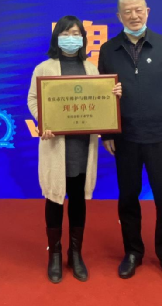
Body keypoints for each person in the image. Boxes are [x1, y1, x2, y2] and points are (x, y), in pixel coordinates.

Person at [98, 0, 162, 286]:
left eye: (138, 10)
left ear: (147, 11)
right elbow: (102, 96)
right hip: (125, 138)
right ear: (119, 16)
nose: (134, 16)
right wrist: (107, 133)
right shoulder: (108, 50)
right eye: (127, 12)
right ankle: (133, 252)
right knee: (127, 198)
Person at [28, 15, 121, 284]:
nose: (72, 37)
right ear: (57, 37)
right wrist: (43, 121)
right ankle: (55, 254)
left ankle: (75, 253)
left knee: (78, 199)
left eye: (76, 33)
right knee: (55, 199)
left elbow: (100, 102)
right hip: (56, 145)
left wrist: (112, 95)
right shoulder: (44, 68)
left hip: (82, 146)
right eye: (66, 33)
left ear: (83, 38)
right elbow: (33, 99)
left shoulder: (91, 69)